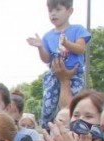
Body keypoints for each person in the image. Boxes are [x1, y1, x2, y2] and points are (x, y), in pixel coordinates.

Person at [27, 0, 90, 129]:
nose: (53, 14)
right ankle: (47, 129)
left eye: (57, 10)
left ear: (69, 11)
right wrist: (40, 47)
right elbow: (46, 59)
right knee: (48, 107)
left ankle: (73, 129)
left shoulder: (77, 29)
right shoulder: (48, 36)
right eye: (50, 11)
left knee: (72, 107)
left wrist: (67, 43)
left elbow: (80, 49)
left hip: (73, 75)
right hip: (53, 74)